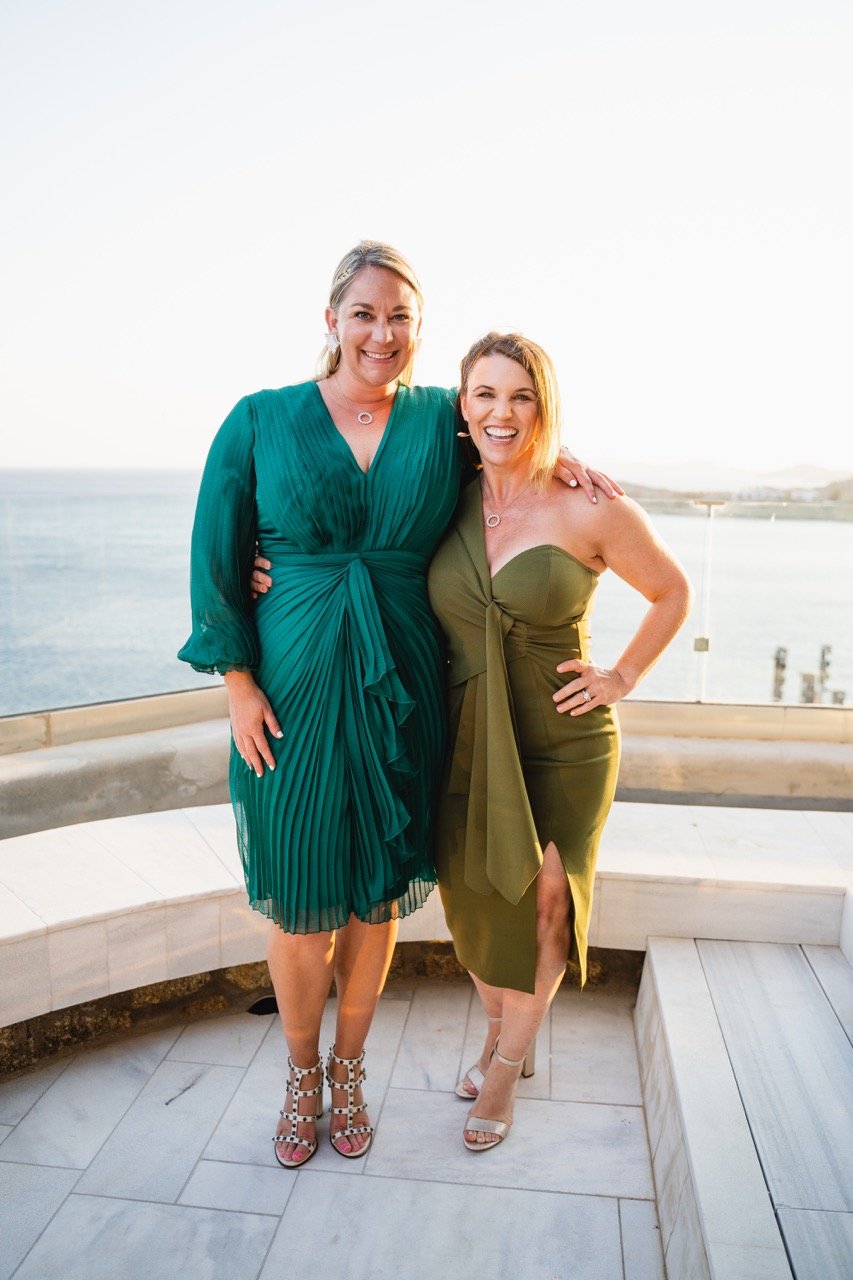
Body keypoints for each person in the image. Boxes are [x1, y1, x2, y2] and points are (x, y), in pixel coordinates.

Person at [179, 242, 619, 1169]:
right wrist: (238, 685)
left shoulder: (438, 420)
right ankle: (301, 1076)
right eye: (365, 314)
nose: (382, 334)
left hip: (405, 688)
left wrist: (566, 461)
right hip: (290, 689)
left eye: (400, 317)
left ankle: (350, 1071)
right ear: (331, 320)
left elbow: (509, 444)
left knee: (375, 900)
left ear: (418, 328)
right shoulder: (259, 419)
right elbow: (214, 559)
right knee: (300, 902)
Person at [426, 332, 692, 1151]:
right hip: (465, 734)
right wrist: (262, 564)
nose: (501, 412)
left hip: (564, 740)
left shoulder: (591, 507)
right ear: (462, 404)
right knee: (473, 898)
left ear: (545, 406)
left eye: (521, 396)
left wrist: (621, 676)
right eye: (485, 394)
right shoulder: (439, 492)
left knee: (547, 894)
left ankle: (505, 1066)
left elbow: (670, 592)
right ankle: (504, 1029)